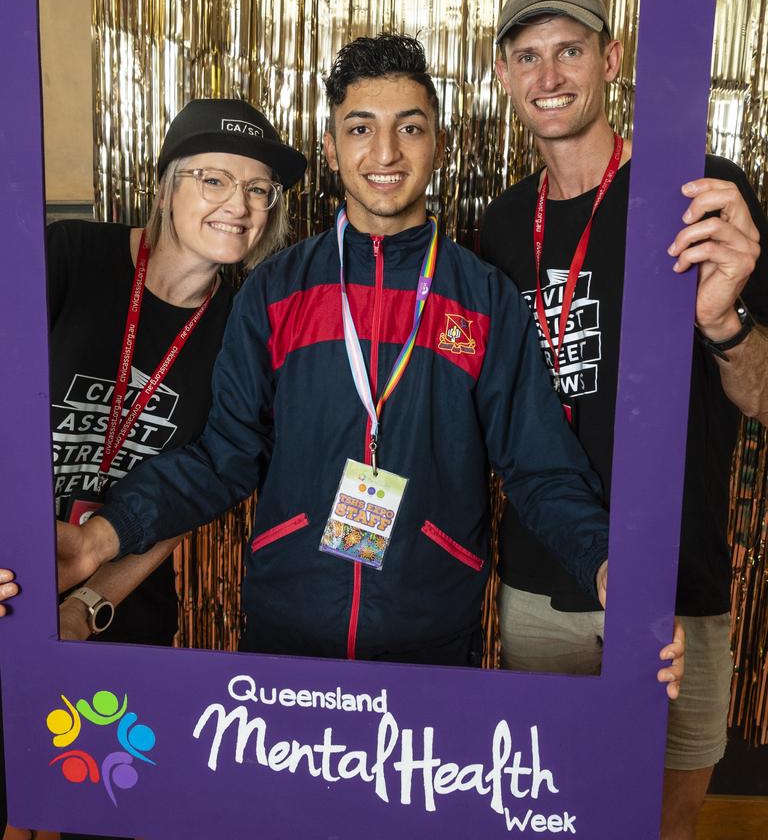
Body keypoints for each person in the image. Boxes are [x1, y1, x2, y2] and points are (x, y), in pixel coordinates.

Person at [57, 33, 631, 670]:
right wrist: (104, 536)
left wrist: (603, 559)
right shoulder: (275, 292)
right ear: (331, 148)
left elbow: (539, 464)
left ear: (437, 145)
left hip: (433, 632)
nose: (385, 151)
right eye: (361, 128)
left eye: (409, 128)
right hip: (287, 629)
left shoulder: (485, 297)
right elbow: (225, 456)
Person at [481, 0, 768, 840]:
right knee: (546, 817)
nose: (549, 74)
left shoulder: (702, 191)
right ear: (502, 77)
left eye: (569, 49)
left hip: (679, 578)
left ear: (612, 58)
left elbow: (761, 397)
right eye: (527, 56)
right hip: (540, 583)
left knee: (665, 823)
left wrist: (723, 323)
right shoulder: (496, 227)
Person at [4, 97, 306, 840]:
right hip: (8, 583)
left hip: (120, 610)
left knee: (92, 814)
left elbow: (198, 491)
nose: (238, 206)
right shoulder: (68, 254)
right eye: (213, 179)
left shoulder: (245, 324)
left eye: (259, 188)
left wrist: (88, 608)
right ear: (167, 185)